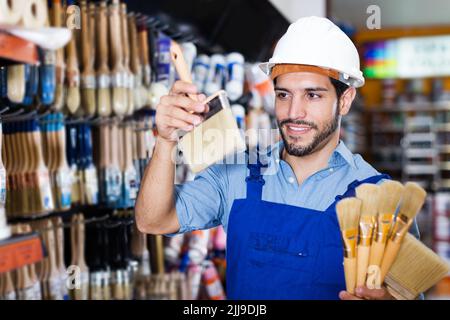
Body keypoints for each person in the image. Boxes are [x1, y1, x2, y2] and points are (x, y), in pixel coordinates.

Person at [135, 16, 419, 300]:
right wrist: (165, 139)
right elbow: (153, 220)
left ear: (344, 100)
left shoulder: (384, 200)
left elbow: (408, 294)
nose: (294, 111)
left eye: (313, 95)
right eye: (283, 94)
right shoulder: (237, 173)